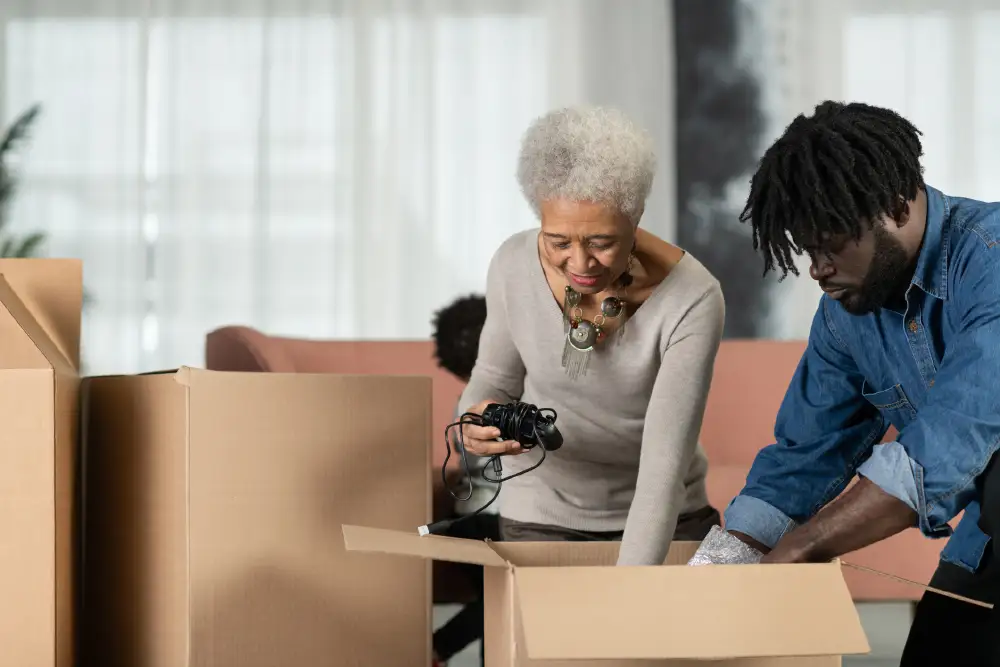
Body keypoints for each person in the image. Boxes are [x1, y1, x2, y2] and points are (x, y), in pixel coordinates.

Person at [693, 101, 1000, 665]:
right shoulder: (845, 313)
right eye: (807, 249)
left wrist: (805, 546)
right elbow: (805, 453)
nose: (816, 268)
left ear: (894, 206)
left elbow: (954, 439)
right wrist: (724, 563)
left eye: (830, 243)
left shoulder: (991, 260)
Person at [457, 105, 725, 566]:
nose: (579, 264)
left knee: (651, 636)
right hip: (540, 511)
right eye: (558, 241)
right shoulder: (511, 264)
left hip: (670, 516)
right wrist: (473, 424)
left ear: (635, 215)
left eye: (601, 242)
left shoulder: (693, 298)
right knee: (542, 639)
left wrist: (627, 592)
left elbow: (663, 471)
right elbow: (490, 383)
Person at [429, 293, 496, 667]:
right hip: (499, 521)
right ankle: (436, 649)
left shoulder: (466, 399)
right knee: (513, 596)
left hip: (467, 517)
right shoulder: (511, 394)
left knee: (498, 599)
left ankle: (436, 650)